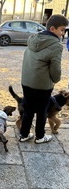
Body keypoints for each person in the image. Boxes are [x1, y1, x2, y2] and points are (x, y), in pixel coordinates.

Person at [19, 14, 68, 144]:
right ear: (52, 29)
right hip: (42, 86)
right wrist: (55, 80)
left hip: (26, 82)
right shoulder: (57, 46)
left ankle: (24, 134)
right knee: (42, 112)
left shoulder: (33, 39)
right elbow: (55, 70)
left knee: (28, 110)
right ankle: (40, 137)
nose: (63, 33)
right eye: (62, 30)